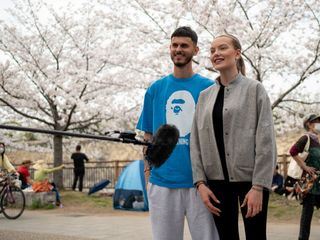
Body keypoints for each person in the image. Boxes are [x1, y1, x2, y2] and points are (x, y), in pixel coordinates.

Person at [190, 34, 277, 240]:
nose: (216, 54)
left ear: (237, 53)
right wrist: (200, 183)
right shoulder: (204, 96)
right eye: (212, 51)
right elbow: (196, 143)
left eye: (222, 48)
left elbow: (266, 140)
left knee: (256, 236)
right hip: (216, 183)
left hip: (251, 182)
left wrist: (259, 186)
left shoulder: (255, 89)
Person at [137, 26, 218, 240]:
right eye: (174, 45)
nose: (178, 49)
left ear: (196, 50)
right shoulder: (155, 89)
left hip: (201, 183)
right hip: (162, 182)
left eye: (184, 45)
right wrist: (148, 173)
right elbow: (147, 136)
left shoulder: (209, 88)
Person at [289, 113, 320, 240]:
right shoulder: (306, 138)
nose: (318, 123)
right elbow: (293, 151)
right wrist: (305, 167)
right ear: (309, 124)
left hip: (319, 181)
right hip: (309, 181)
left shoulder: (318, 141)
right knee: (308, 213)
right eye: (316, 121)